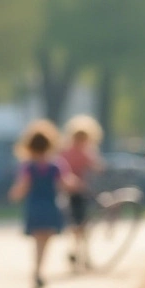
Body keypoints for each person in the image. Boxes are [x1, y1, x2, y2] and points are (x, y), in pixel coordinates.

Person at [8, 119, 80, 288]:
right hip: (50, 206)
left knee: (38, 241)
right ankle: (40, 270)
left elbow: (22, 187)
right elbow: (65, 183)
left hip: (34, 207)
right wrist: (78, 185)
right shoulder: (55, 165)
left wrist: (14, 194)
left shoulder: (28, 167)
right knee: (45, 241)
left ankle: (37, 270)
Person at [58, 114, 105, 271]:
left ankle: (79, 254)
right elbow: (98, 167)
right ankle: (81, 255)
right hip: (76, 193)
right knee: (80, 225)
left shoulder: (69, 151)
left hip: (78, 192)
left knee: (78, 226)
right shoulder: (81, 152)